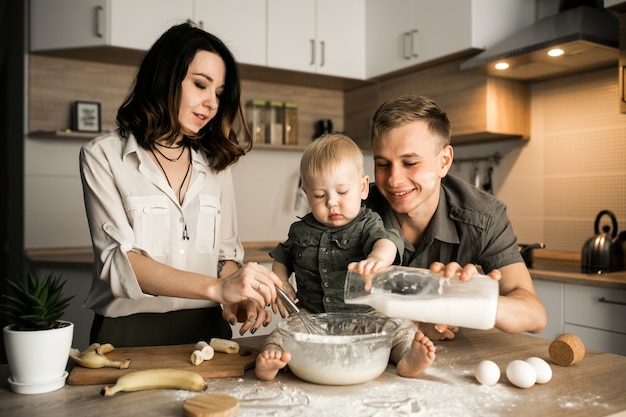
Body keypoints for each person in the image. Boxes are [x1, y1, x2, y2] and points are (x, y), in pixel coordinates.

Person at [79, 22, 283, 347]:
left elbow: (224, 256)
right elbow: (121, 263)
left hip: (207, 328)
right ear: (164, 78)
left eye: (218, 93)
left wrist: (237, 291)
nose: (212, 103)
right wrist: (218, 288)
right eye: (200, 85)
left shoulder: (217, 164)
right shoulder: (103, 156)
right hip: (126, 332)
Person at [365, 94, 547, 341]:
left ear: (444, 161)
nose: (393, 180)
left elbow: (534, 315)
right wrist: (416, 322)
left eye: (410, 163)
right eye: (383, 164)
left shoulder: (484, 217)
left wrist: (468, 299)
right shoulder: (354, 210)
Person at [255, 133, 436, 381]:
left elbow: (387, 241)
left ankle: (407, 357)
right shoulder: (300, 231)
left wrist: (378, 259)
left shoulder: (367, 223)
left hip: (369, 316)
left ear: (362, 187)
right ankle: (271, 361)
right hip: (314, 317)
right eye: (320, 195)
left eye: (342, 192)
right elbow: (282, 257)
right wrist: (280, 283)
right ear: (306, 193)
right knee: (282, 334)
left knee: (400, 328)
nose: (332, 203)